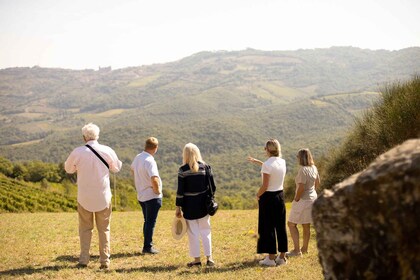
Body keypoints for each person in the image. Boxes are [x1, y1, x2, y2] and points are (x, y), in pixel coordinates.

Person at [64, 123, 122, 270]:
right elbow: (116, 168)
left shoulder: (77, 152)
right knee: (104, 229)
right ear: (97, 135)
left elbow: (68, 169)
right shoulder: (107, 150)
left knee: (85, 229)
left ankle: (84, 259)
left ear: (84, 137)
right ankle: (105, 260)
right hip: (103, 196)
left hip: (84, 197)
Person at [247, 139, 288, 267]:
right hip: (280, 196)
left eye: (265, 148)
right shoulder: (282, 162)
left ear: (268, 149)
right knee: (280, 226)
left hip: (268, 198)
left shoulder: (267, 165)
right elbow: (272, 168)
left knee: (268, 227)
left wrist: (258, 195)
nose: (264, 150)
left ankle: (270, 259)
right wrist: (258, 162)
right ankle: (282, 257)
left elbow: (265, 185)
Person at [175, 143, 216, 267]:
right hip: (204, 205)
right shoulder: (206, 167)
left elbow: (180, 191)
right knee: (206, 231)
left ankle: (197, 260)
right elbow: (213, 187)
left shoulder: (182, 170)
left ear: (185, 154)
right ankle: (210, 259)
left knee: (193, 233)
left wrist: (178, 207)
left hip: (189, 207)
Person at [131, 137, 162, 254]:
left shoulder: (138, 157)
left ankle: (147, 245)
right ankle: (147, 246)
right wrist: (157, 191)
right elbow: (154, 178)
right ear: (156, 148)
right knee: (150, 222)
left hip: (142, 195)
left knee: (147, 221)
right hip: (151, 196)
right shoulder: (150, 160)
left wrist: (139, 182)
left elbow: (132, 170)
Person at [287, 148, 320, 257]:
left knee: (291, 224)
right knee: (306, 225)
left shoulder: (302, 170)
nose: (296, 158)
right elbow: (318, 182)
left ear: (301, 158)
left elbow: (300, 187)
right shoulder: (314, 168)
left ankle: (297, 251)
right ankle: (304, 249)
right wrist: (312, 191)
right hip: (312, 198)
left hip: (303, 200)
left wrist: (296, 198)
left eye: (297, 156)